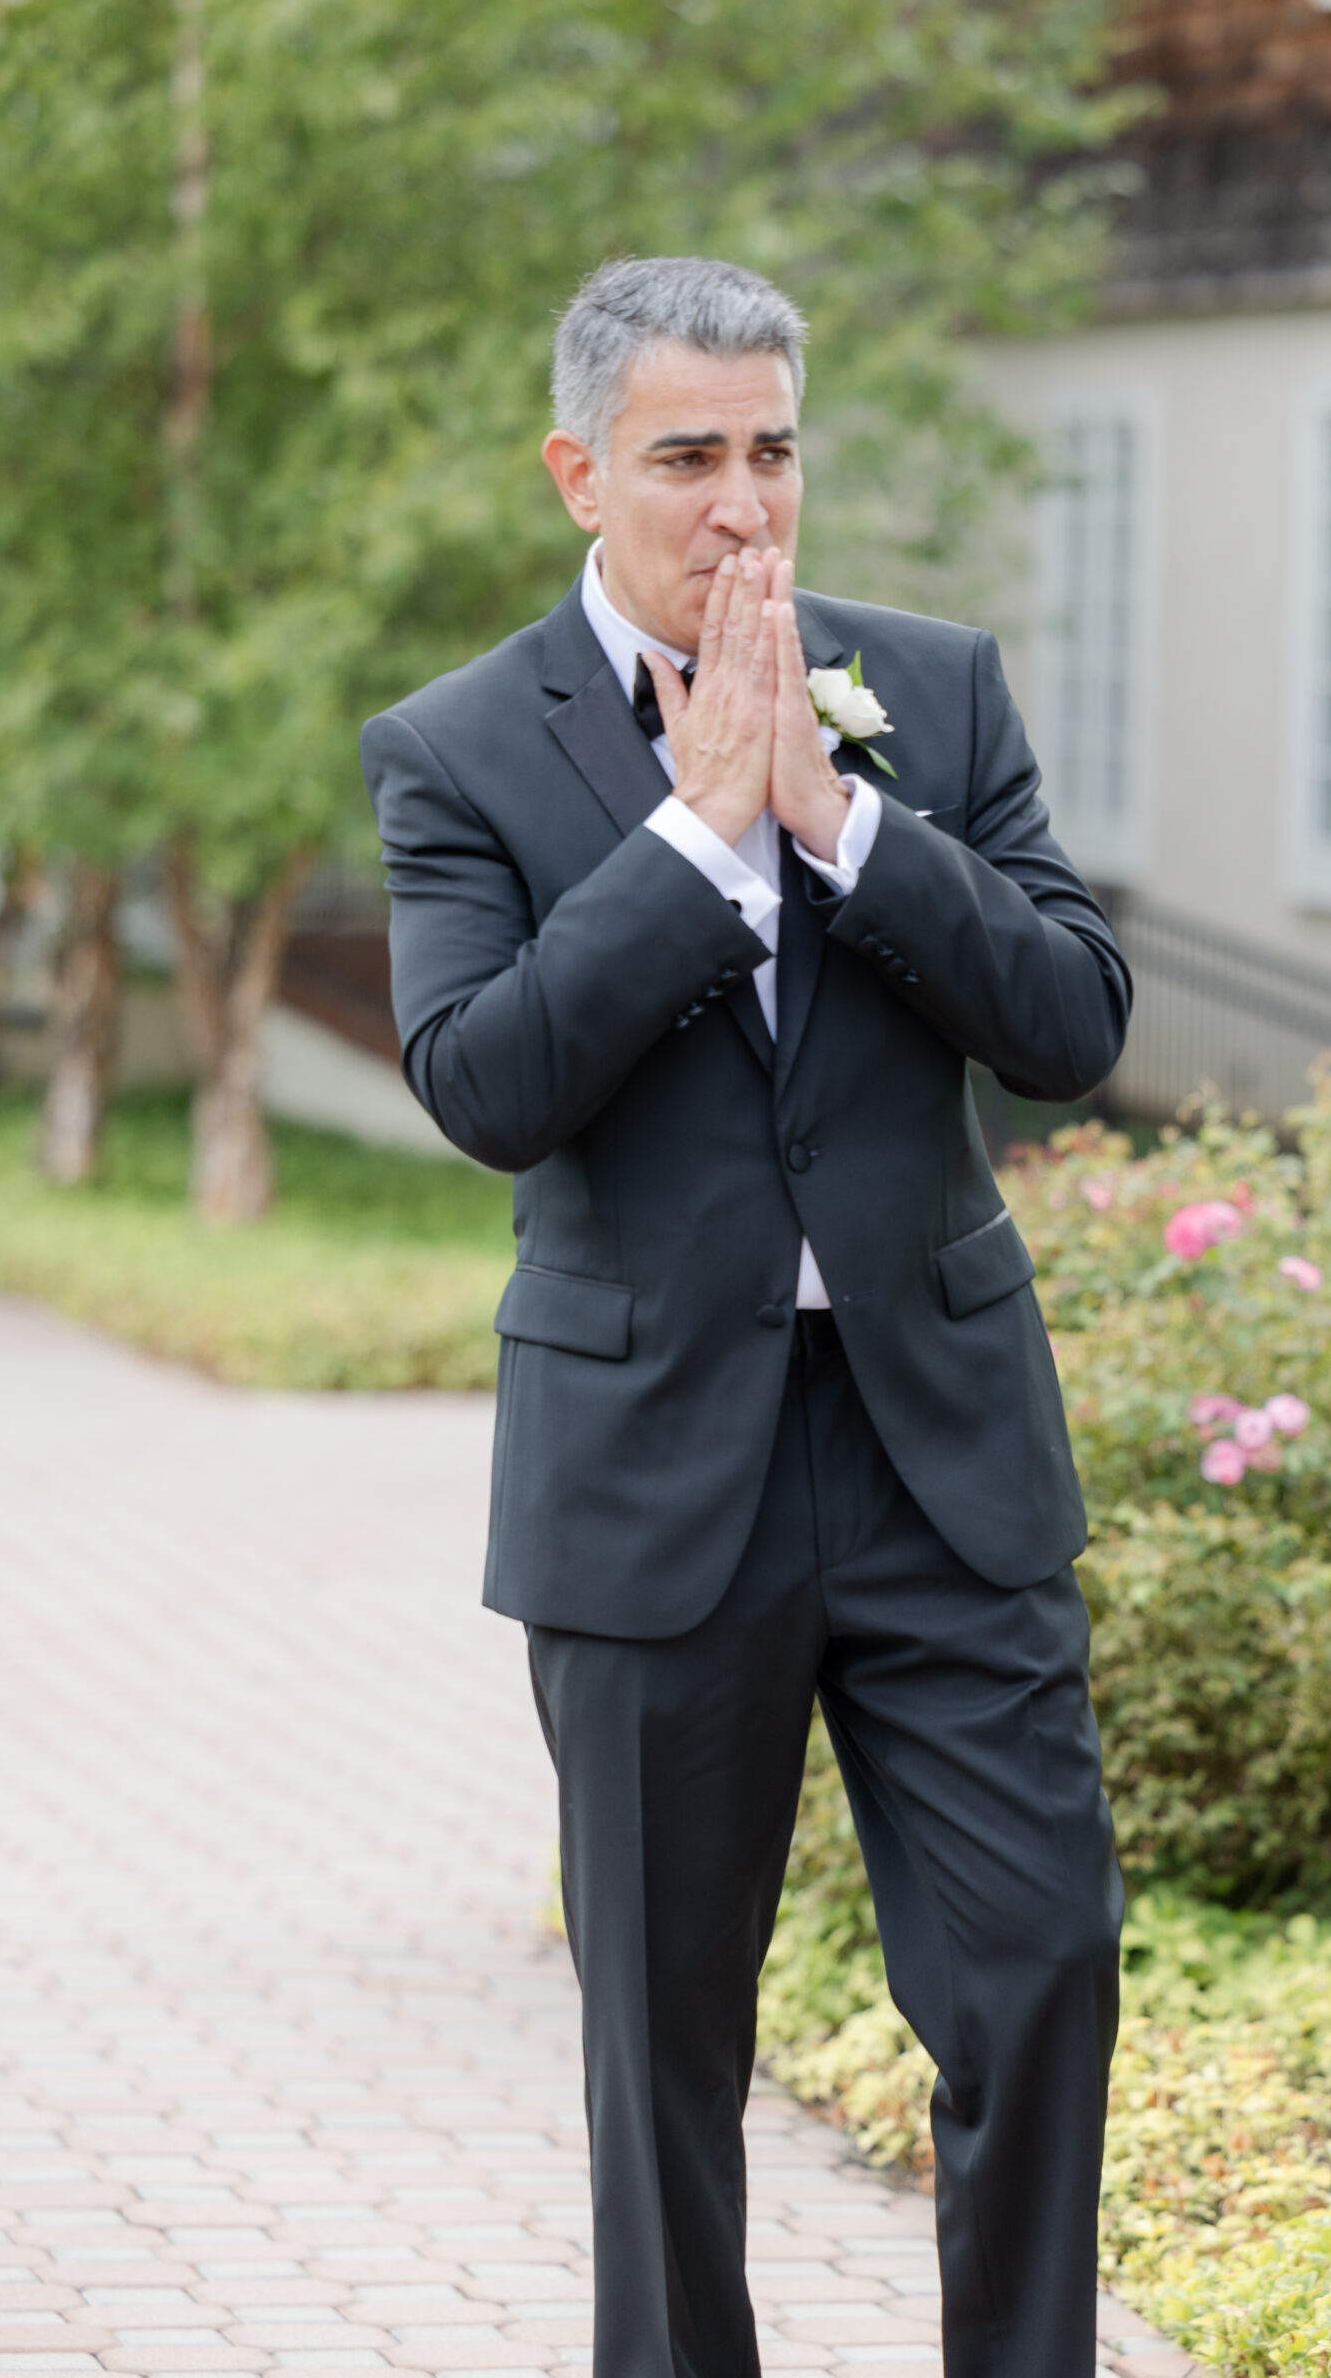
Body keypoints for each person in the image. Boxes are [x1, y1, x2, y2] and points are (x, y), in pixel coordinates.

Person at [360, 256, 1132, 2378]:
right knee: (661, 2044)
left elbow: (1069, 1018)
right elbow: (486, 1082)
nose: (740, 507)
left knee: (1040, 1959)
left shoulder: (936, 693)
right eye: (687, 457)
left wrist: (838, 812)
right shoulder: (454, 750)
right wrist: (701, 836)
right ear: (577, 471)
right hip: (648, 1475)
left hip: (938, 1455)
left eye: (771, 451)